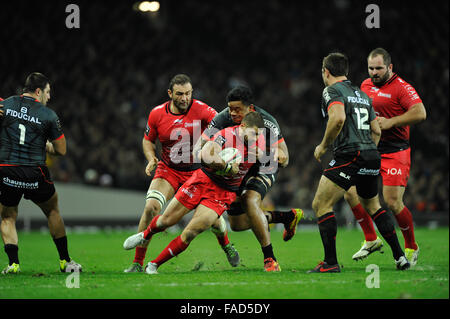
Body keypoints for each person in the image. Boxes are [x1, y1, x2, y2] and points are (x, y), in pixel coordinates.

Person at [123, 112, 266, 274]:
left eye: (259, 135)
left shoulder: (259, 145)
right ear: (243, 127)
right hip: (202, 181)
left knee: (191, 232)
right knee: (166, 221)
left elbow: (266, 163)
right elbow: (205, 155)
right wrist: (226, 167)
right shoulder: (226, 135)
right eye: (253, 134)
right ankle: (145, 235)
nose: (256, 138)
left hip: (223, 193)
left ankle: (154, 265)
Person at [123, 74, 240, 273]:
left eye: (188, 93)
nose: (185, 98)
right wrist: (151, 157)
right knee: (151, 207)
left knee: (215, 222)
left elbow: (224, 128)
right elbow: (148, 140)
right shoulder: (157, 114)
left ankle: (226, 243)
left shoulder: (203, 110)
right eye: (179, 94)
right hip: (169, 170)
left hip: (199, 172)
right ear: (170, 93)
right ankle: (137, 263)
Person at [308, 52, 410, 273]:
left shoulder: (331, 90)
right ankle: (400, 257)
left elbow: (338, 118)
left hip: (349, 154)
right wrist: (369, 148)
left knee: (320, 204)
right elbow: (376, 130)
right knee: (373, 206)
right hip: (371, 154)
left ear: (326, 71)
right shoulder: (361, 94)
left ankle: (330, 263)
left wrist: (323, 146)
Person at [196, 85, 303, 272]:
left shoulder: (266, 122)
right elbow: (200, 146)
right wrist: (214, 160)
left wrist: (268, 154)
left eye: (238, 109)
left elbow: (284, 156)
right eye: (230, 108)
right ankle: (287, 216)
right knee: (237, 225)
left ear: (250, 108)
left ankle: (270, 259)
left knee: (250, 199)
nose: (233, 113)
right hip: (236, 170)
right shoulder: (222, 118)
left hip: (263, 167)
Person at [346, 48, 426, 266]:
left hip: (395, 151)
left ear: (390, 67)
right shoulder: (364, 85)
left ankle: (411, 246)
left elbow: (420, 113)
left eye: (379, 68)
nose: (374, 72)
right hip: (371, 149)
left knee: (392, 202)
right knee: (350, 193)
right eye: (371, 68)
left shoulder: (402, 88)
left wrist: (391, 122)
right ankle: (371, 239)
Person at [0, 72, 82, 274]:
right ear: (38, 91)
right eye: (47, 92)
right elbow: (61, 150)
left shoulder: (6, 104)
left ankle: (13, 264)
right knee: (52, 210)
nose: (49, 97)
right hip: (35, 172)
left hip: (7, 171)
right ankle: (65, 261)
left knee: (7, 217)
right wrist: (45, 145)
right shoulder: (48, 115)